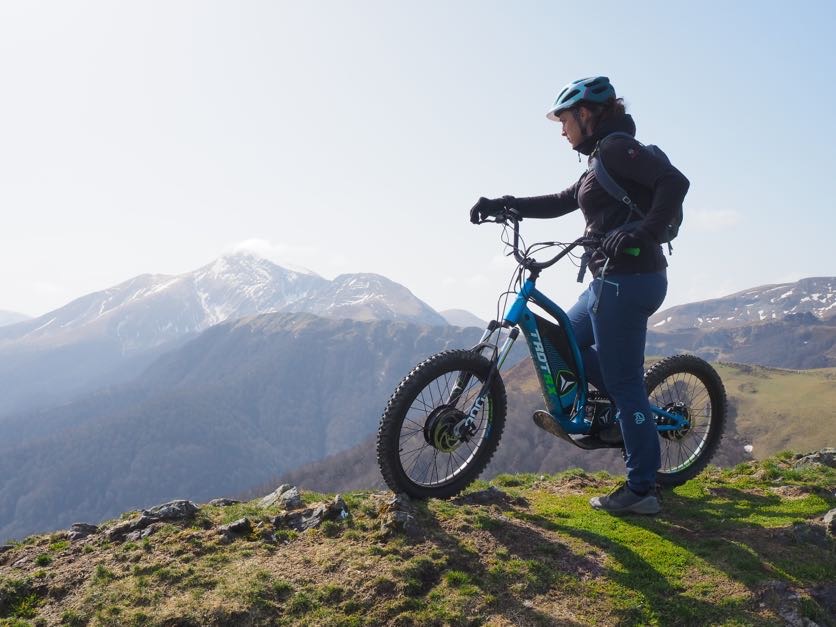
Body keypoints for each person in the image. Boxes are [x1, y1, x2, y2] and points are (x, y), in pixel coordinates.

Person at [469, 76, 689, 515]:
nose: (562, 128)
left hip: (630, 282)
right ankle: (613, 418)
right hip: (607, 282)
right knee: (563, 339)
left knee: (626, 384)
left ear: (587, 114)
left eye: (565, 118)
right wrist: (506, 203)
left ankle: (642, 489)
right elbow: (564, 199)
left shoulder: (617, 148)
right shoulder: (598, 160)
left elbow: (675, 183)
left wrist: (640, 232)